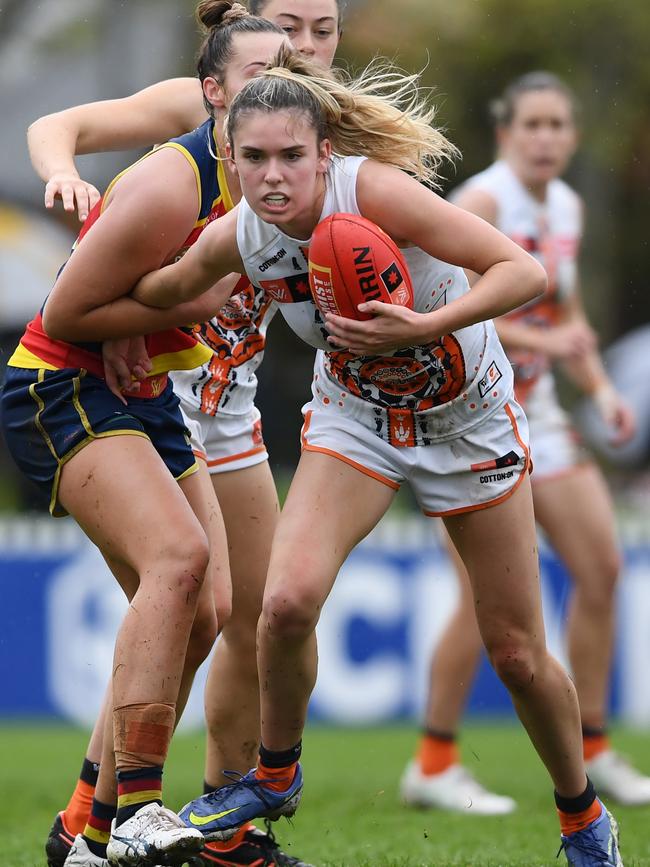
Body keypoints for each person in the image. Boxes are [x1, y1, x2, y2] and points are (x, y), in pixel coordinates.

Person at [127, 47, 623, 866]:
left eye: (292, 155)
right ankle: (275, 775)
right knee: (283, 604)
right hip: (357, 416)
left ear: (326, 153)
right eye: (254, 157)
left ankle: (582, 817)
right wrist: (89, 298)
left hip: (467, 419)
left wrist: (424, 325)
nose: (274, 176)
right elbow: (167, 285)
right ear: (230, 158)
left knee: (517, 653)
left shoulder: (374, 191)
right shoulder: (243, 231)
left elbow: (521, 270)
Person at [28, 3, 343, 866]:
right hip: (92, 380)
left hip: (192, 392)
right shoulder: (188, 155)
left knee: (222, 614)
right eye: (286, 32)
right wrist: (142, 293)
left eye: (323, 31)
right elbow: (73, 298)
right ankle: (131, 816)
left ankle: (109, 831)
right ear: (215, 90)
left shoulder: (315, 140)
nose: (301, 55)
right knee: (179, 573)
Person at [399, 71, 650, 817]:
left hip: (540, 406)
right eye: (531, 125)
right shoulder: (483, 200)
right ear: (507, 134)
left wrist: (601, 389)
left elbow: (563, 306)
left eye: (557, 126)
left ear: (571, 138)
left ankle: (594, 747)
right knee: (489, 600)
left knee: (600, 566)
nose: (545, 138)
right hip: (472, 411)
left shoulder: (565, 205)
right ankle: (434, 762)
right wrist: (541, 334)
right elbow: (442, 305)